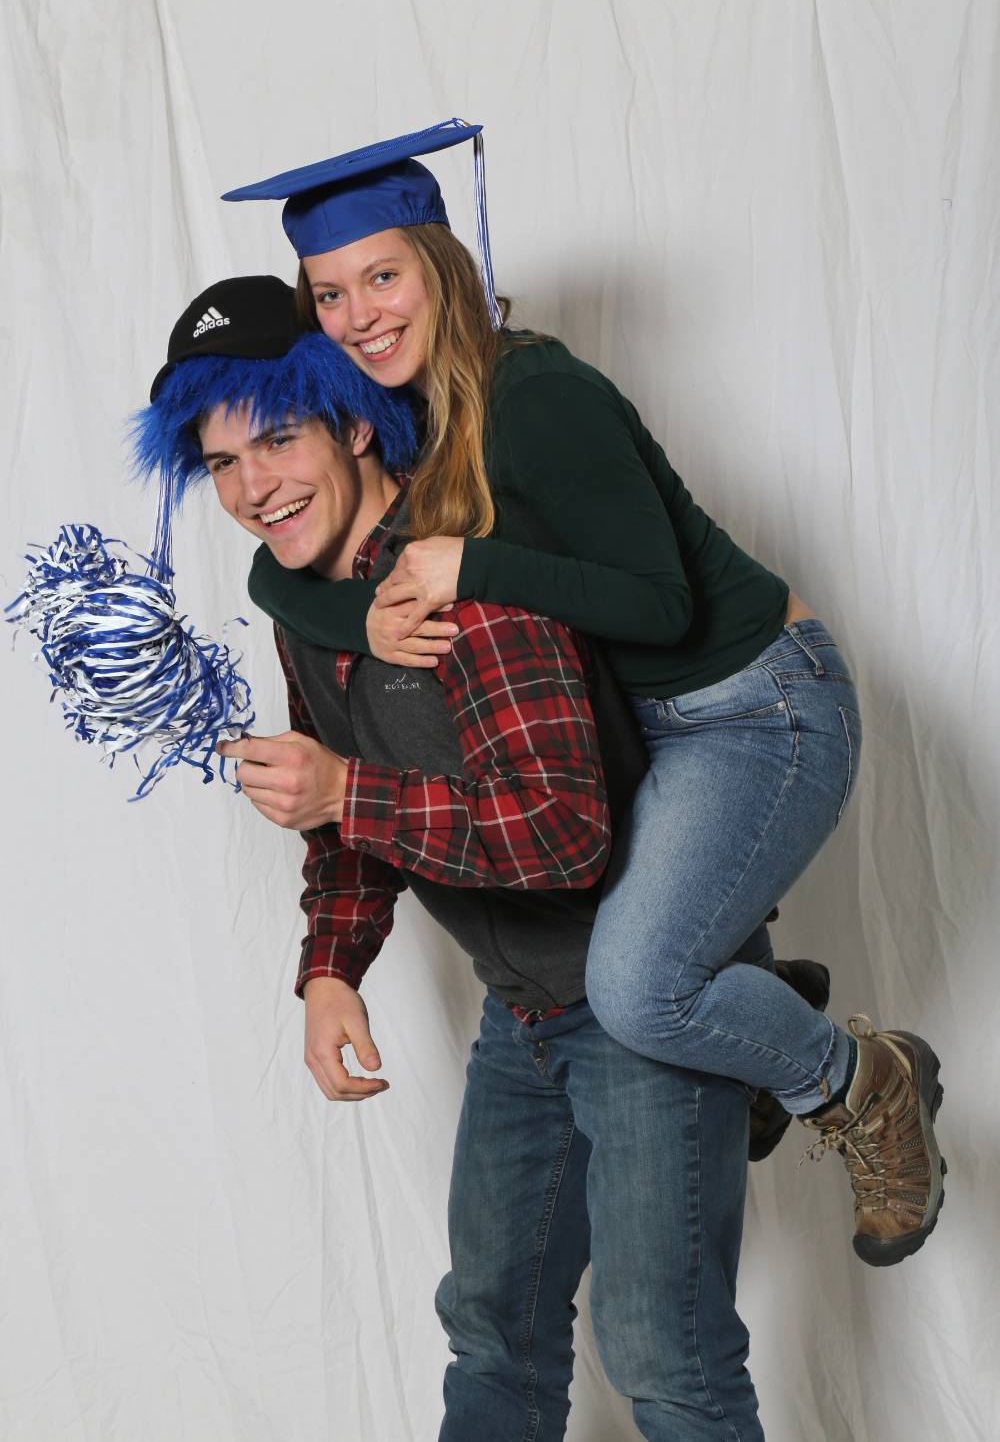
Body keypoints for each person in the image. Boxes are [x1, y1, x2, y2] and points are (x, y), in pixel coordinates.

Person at [221, 119, 947, 1268]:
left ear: (441, 266)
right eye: (328, 294)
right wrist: (365, 618)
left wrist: (472, 566)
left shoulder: (536, 394)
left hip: (754, 705)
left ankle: (856, 1079)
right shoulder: (401, 415)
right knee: (619, 955)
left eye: (381, 277)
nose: (357, 315)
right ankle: (748, 1022)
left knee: (636, 988)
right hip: (650, 728)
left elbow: (661, 607)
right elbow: (281, 569)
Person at [133, 273, 768, 1440]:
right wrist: (331, 968)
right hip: (522, 1014)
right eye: (221, 463)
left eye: (275, 440)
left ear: (353, 424)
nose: (253, 487)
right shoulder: (305, 602)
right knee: (491, 1326)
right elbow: (345, 802)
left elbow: (564, 833)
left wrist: (345, 790)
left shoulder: (461, 571)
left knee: (664, 1355)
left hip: (636, 1001)